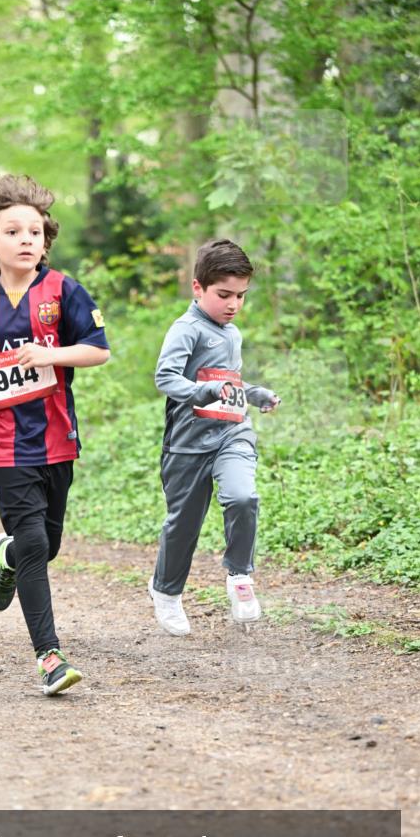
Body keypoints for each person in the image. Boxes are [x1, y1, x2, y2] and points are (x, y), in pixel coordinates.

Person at [0, 174, 110, 696]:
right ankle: (49, 657)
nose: (27, 240)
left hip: (57, 436)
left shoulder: (64, 291)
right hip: (2, 440)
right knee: (35, 539)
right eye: (13, 231)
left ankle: (7, 558)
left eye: (35, 231)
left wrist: (50, 354)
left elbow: (98, 350)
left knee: (46, 544)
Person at [148, 239, 281, 635]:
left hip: (231, 433)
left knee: (243, 496)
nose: (233, 304)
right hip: (188, 444)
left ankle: (240, 576)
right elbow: (166, 378)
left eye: (241, 296)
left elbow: (229, 382)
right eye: (224, 295)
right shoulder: (186, 329)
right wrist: (202, 391)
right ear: (197, 287)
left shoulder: (232, 333)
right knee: (183, 525)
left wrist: (254, 395)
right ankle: (166, 592)